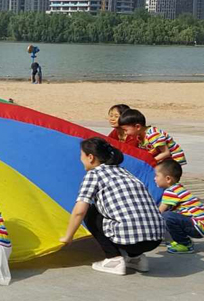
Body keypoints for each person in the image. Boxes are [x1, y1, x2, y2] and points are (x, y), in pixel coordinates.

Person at [60, 137, 163, 276]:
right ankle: (136, 258)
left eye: (81, 155)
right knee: (127, 214)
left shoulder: (94, 174)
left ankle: (113, 259)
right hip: (156, 238)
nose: (80, 159)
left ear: (90, 157)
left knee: (91, 212)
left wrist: (68, 236)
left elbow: (80, 211)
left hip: (131, 239)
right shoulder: (124, 172)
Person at [154, 160, 204, 254]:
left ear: (168, 179)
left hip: (198, 226)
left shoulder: (171, 191)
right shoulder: (178, 188)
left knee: (167, 216)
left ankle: (184, 244)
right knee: (169, 215)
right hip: (199, 224)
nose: (154, 179)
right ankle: (182, 241)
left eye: (156, 175)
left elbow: (158, 212)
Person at [119, 109, 187, 165]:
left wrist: (150, 161)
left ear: (138, 127)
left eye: (125, 130)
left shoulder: (153, 135)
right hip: (163, 158)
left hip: (174, 159)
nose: (125, 133)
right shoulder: (139, 136)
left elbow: (166, 153)